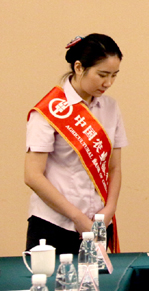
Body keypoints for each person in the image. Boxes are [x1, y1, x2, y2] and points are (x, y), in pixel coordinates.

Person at [25, 34, 126, 254]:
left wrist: (109, 210)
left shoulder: (110, 108)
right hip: (54, 225)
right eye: (102, 75)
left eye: (114, 75)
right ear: (79, 67)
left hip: (97, 224)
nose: (108, 83)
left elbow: (114, 167)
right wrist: (77, 217)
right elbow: (32, 176)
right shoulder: (49, 110)